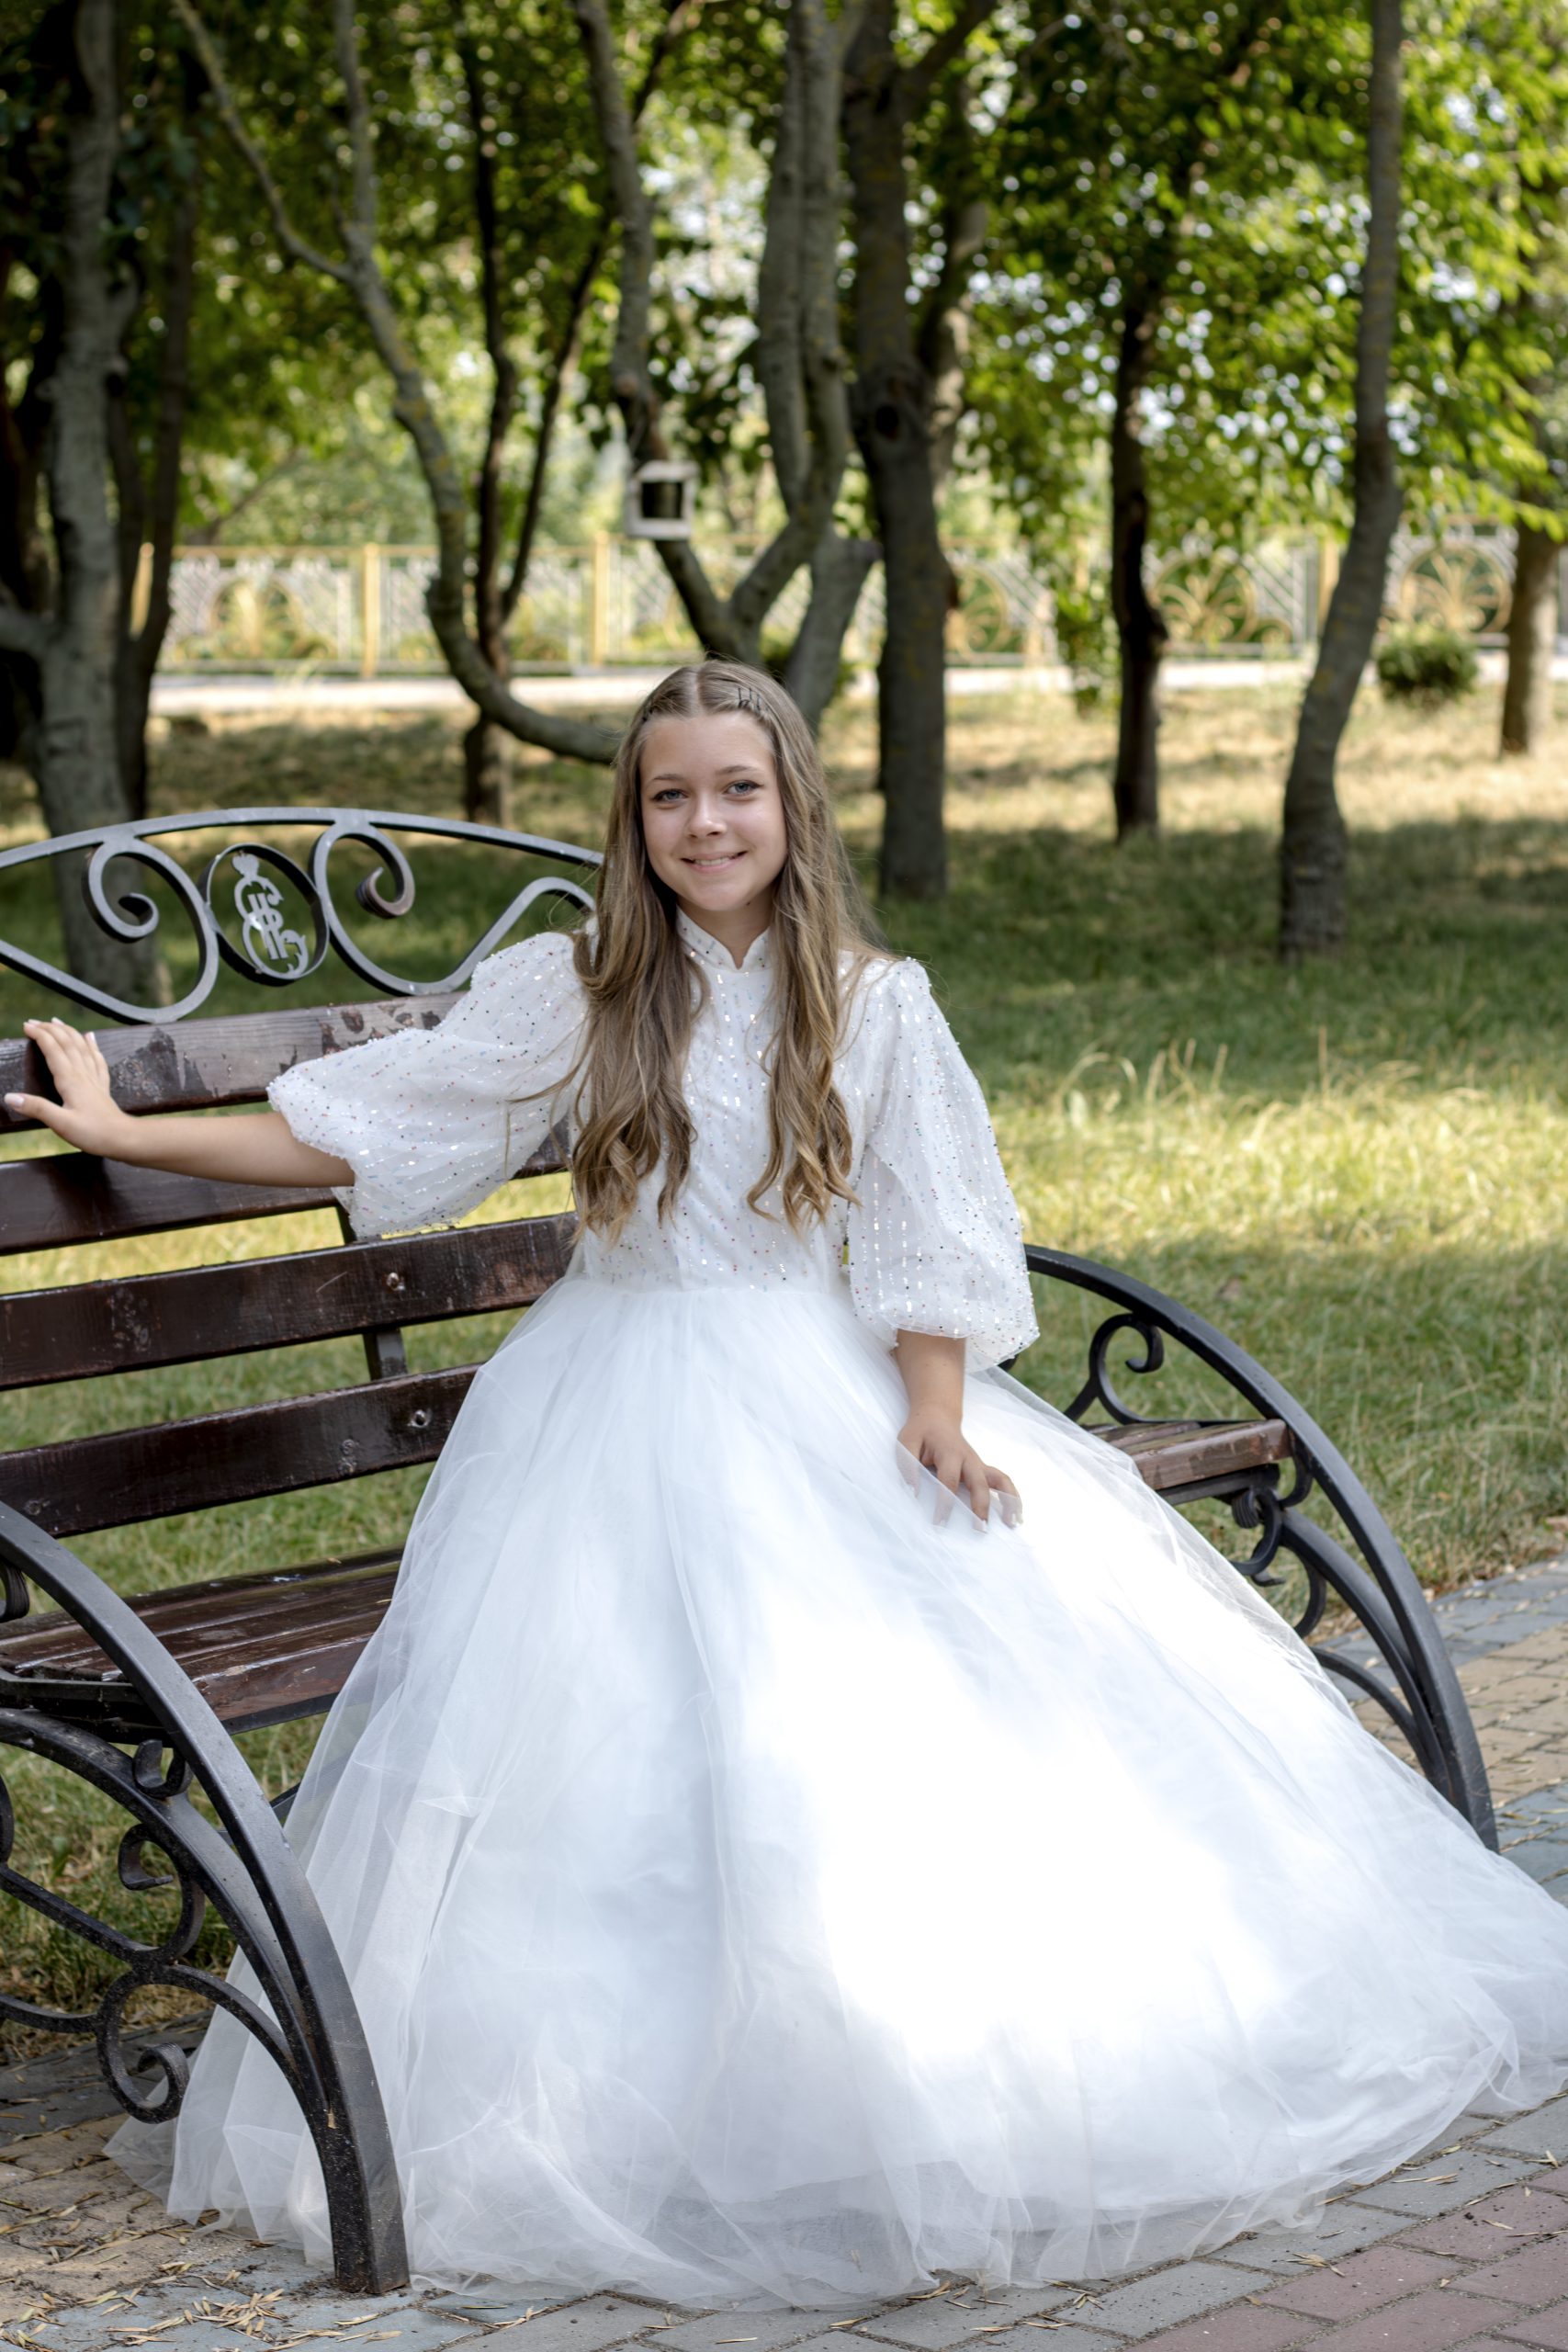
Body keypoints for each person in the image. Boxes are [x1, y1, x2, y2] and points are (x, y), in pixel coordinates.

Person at [10, 660, 1568, 2310]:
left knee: (869, 1708)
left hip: (810, 1386)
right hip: (608, 1398)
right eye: (670, 795)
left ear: (792, 803)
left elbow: (929, 1215)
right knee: (606, 1731)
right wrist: (134, 1125)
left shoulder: (869, 996)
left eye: (736, 790)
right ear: (636, 818)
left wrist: (940, 1403)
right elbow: (365, 1137)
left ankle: (918, 2054)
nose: (705, 822)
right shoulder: (578, 987)